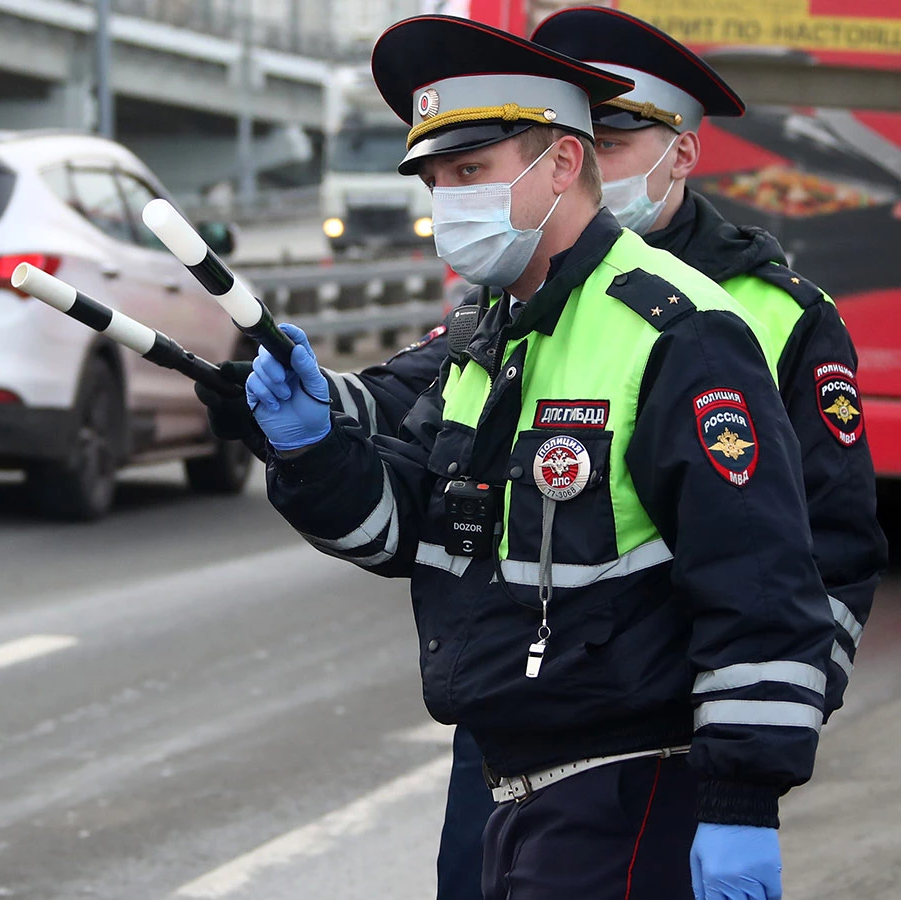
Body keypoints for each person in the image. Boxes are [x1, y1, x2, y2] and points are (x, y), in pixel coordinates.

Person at [241, 16, 835, 900]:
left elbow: (758, 582)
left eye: (472, 172)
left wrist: (740, 800)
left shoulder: (678, 332)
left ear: (562, 164)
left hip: (630, 786)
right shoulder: (492, 330)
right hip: (512, 783)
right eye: (437, 178)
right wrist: (313, 452)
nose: (449, 200)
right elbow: (422, 534)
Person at [530, 4, 886, 722]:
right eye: (569, 148)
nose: (583, 173)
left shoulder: (784, 313)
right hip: (513, 723)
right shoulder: (520, 295)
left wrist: (767, 720)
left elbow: (834, 548)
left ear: (683, 157)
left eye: (610, 145)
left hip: (671, 730)